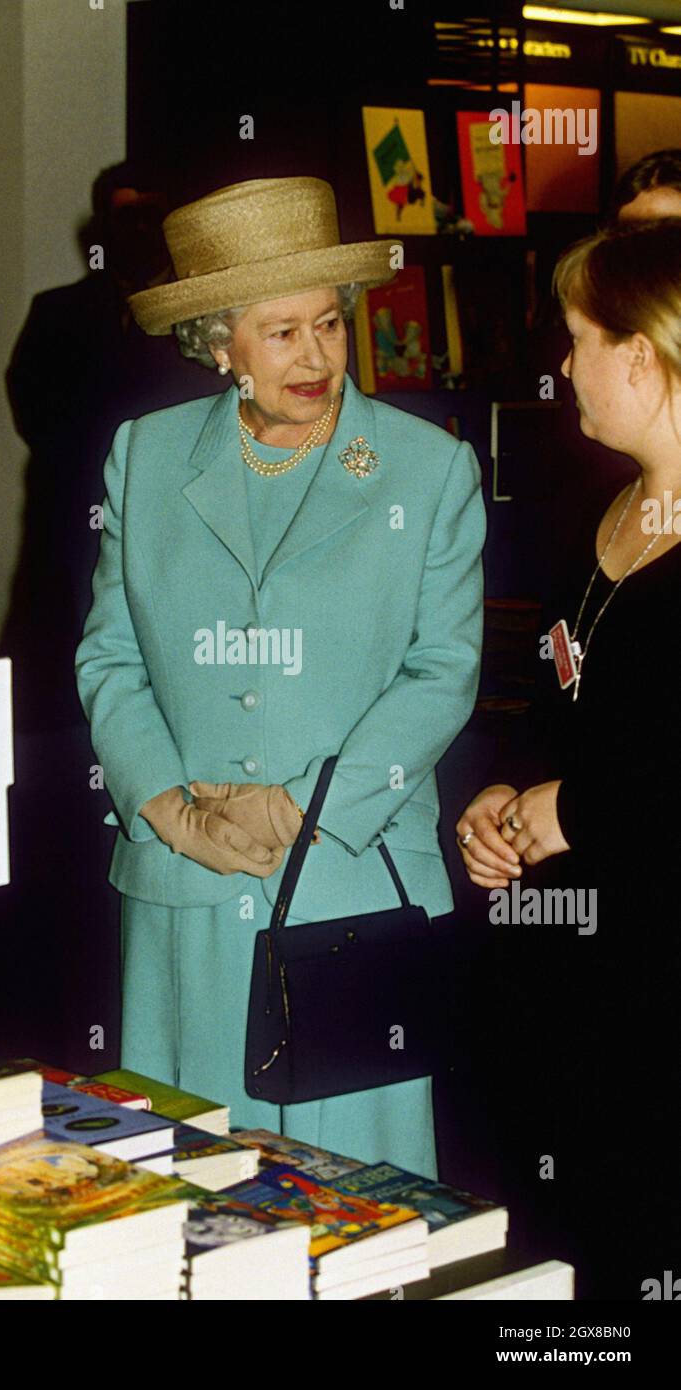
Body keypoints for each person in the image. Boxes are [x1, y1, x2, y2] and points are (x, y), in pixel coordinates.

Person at [76, 175, 485, 1175]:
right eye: (279, 332)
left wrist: (295, 806)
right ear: (218, 345)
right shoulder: (145, 456)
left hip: (349, 888)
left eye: (327, 325)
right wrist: (172, 810)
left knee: (358, 1210)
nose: (314, 357)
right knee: (183, 1188)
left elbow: (441, 673)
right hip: (185, 888)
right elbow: (109, 653)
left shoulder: (425, 469)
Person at [456, 219, 681, 1299]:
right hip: (570, 981)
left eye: (581, 336)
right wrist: (502, 794)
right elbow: (564, 717)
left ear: (640, 355)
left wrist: (576, 811)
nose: (559, 362)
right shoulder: (607, 508)